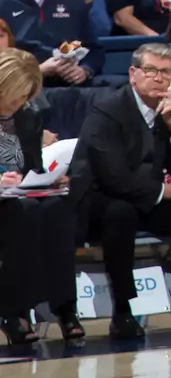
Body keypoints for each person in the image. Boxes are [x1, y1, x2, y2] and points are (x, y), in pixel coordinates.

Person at [73, 41, 171, 339]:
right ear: (133, 74)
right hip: (99, 201)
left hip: (144, 200)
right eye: (150, 71)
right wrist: (163, 192)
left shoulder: (166, 112)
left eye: (165, 72)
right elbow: (112, 177)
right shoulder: (108, 110)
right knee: (120, 213)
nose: (158, 78)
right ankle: (122, 312)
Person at [0, 50, 82, 347]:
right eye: (13, 95)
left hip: (17, 195)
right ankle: (14, 311)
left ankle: (66, 308)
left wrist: (50, 176)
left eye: (24, 96)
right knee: (27, 211)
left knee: (57, 207)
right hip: (9, 204)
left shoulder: (28, 115)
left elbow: (33, 165)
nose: (17, 103)